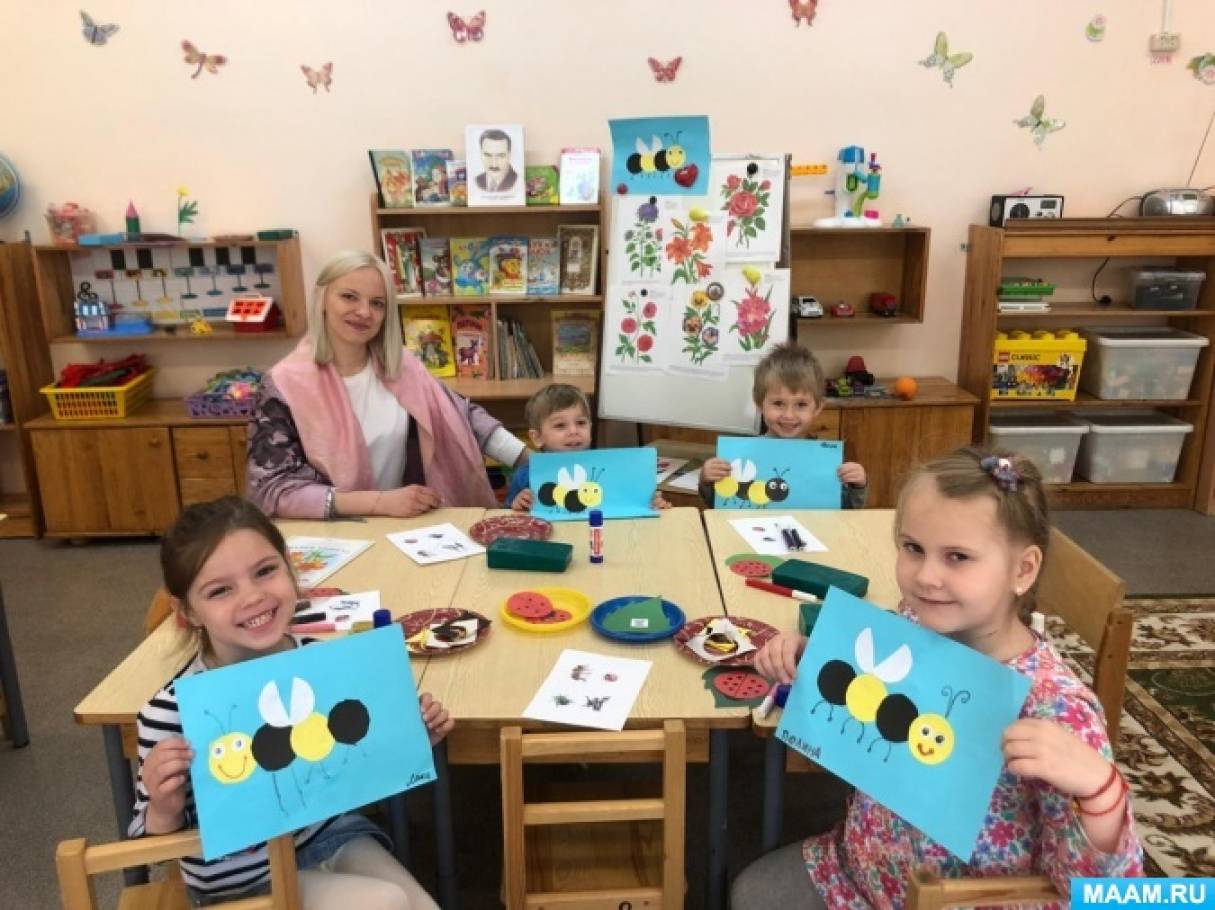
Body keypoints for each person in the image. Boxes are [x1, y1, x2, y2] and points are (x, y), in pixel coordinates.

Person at [731, 448, 1143, 909]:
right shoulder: (913, 624)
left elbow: (1104, 896)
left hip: (959, 901)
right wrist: (816, 658)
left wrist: (1100, 791)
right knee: (749, 891)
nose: (926, 576)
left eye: (958, 557)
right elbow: (864, 706)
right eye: (913, 548)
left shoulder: (1054, 710)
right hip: (856, 872)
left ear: (1023, 570)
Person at [130, 496, 454, 908]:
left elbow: (351, 755)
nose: (252, 596)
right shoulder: (170, 711)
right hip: (244, 881)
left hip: (329, 836)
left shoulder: (318, 662)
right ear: (187, 611)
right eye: (220, 590)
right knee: (385, 902)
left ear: (289, 567)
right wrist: (164, 805)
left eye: (265, 571)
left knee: (417, 905)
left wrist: (411, 736)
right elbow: (148, 843)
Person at [247, 250, 526, 519]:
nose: (364, 312)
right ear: (322, 298)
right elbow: (270, 489)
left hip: (402, 526)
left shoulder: (401, 366)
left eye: (377, 303)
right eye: (349, 297)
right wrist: (379, 502)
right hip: (330, 534)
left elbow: (460, 415)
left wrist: (529, 459)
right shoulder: (284, 383)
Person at [699, 342, 868, 508]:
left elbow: (846, 508)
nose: (789, 415)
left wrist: (858, 486)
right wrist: (707, 480)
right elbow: (721, 504)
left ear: (817, 407)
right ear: (759, 404)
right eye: (778, 403)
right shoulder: (741, 457)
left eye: (801, 405)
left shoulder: (826, 461)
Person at [508, 383, 669, 511]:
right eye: (560, 425)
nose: (573, 431)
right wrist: (517, 504)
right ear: (537, 437)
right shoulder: (525, 476)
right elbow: (508, 514)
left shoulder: (607, 468)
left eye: (581, 423)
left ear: (590, 427)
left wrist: (651, 502)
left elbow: (628, 502)